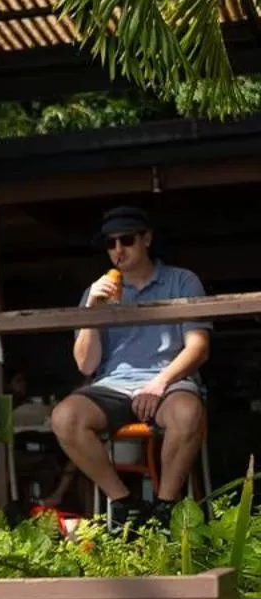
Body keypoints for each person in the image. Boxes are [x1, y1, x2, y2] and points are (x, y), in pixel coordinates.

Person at [49, 205, 211, 527]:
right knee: (65, 417)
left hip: (168, 379)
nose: (118, 250)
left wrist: (160, 382)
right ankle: (124, 503)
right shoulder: (95, 292)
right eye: (110, 244)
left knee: (187, 412)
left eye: (126, 240)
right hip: (114, 384)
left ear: (146, 239)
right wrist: (91, 312)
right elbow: (86, 365)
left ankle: (165, 508)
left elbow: (199, 347)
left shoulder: (181, 280)